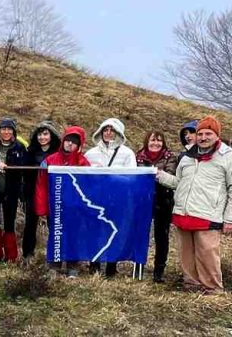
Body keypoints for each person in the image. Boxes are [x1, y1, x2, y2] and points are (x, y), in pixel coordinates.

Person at [157, 116, 232, 294]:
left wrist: (229, 218)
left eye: (208, 133)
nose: (203, 137)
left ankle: (212, 289)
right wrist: (159, 175)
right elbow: (179, 182)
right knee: (186, 254)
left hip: (208, 215)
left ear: (217, 135)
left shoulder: (227, 157)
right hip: (183, 213)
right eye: (200, 133)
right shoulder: (187, 156)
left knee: (207, 254)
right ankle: (191, 284)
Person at [35, 126, 91, 277]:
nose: (70, 144)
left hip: (75, 208)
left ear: (79, 145)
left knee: (74, 235)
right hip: (55, 208)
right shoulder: (49, 160)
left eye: (74, 142)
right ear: (63, 141)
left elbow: (87, 187)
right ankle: (55, 264)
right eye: (67, 140)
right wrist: (41, 209)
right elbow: (41, 185)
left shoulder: (83, 163)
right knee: (55, 234)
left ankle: (72, 265)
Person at [84, 118, 137, 277]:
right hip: (96, 199)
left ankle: (111, 267)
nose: (108, 133)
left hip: (117, 199)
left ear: (118, 133)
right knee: (96, 231)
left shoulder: (127, 153)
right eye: (105, 130)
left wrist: (111, 175)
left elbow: (132, 177)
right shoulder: (91, 153)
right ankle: (94, 266)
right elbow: (84, 176)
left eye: (111, 130)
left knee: (114, 232)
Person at [135, 131, 178, 283]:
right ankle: (138, 268)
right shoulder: (138, 156)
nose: (156, 143)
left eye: (159, 141)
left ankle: (158, 271)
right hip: (143, 199)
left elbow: (170, 175)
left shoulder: (170, 157)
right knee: (140, 233)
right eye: (153, 140)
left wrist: (156, 174)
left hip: (163, 199)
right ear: (147, 142)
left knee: (162, 236)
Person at [0, 118, 28, 263]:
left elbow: (24, 169)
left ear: (13, 131)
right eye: (3, 129)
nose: (6, 132)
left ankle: (11, 255)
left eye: (9, 129)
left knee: (10, 222)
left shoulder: (19, 147)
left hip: (11, 189)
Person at [22, 121, 62, 261]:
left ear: (52, 135)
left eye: (45, 134)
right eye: (39, 134)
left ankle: (56, 255)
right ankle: (28, 253)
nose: (42, 137)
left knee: (54, 223)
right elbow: (24, 174)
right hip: (33, 192)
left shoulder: (59, 153)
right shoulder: (30, 152)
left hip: (53, 192)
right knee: (30, 223)